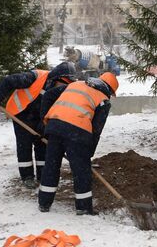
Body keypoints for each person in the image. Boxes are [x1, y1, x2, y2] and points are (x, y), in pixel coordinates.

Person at [37, 72, 118, 214]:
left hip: (55, 126)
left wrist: (45, 122)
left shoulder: (75, 84)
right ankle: (84, 207)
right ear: (110, 90)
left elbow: (48, 95)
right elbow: (96, 129)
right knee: (81, 171)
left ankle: (44, 203)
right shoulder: (103, 100)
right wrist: (88, 153)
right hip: (77, 131)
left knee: (51, 165)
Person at [0, 62, 76, 188]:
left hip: (39, 116)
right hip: (20, 113)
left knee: (42, 144)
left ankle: (42, 175)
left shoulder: (60, 90)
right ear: (56, 78)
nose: (64, 87)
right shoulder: (35, 77)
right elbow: (9, 80)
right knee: (24, 144)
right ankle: (27, 177)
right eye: (64, 83)